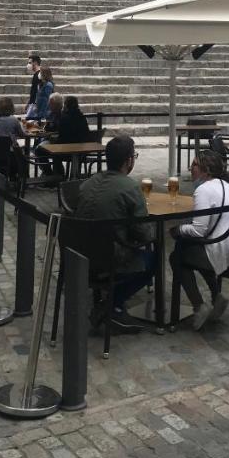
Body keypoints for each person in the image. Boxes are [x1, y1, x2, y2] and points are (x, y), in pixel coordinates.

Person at [74, 135, 153, 332]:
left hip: (79, 253)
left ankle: (112, 306)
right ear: (129, 160)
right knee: (153, 259)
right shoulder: (130, 187)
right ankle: (110, 306)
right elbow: (144, 233)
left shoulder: (87, 184)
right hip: (111, 257)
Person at [170, 149, 229, 330]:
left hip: (222, 252)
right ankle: (216, 296)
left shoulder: (204, 190)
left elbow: (198, 230)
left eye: (194, 164)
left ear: (206, 170)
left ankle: (199, 306)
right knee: (189, 247)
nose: (190, 168)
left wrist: (177, 229)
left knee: (177, 256)